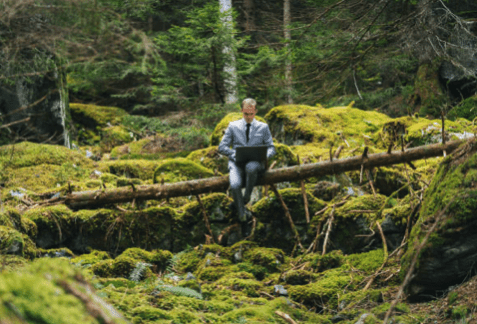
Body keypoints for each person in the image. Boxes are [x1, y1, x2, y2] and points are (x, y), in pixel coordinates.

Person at [218, 98, 276, 222]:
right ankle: (242, 214)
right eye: (246, 114)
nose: (248, 117)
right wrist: (233, 154)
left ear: (255, 112)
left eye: (251, 114)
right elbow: (222, 147)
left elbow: (272, 148)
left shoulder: (263, 127)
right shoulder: (233, 126)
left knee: (251, 167)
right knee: (234, 184)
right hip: (236, 162)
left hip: (255, 162)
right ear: (241, 111)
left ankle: (245, 198)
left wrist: (264, 156)